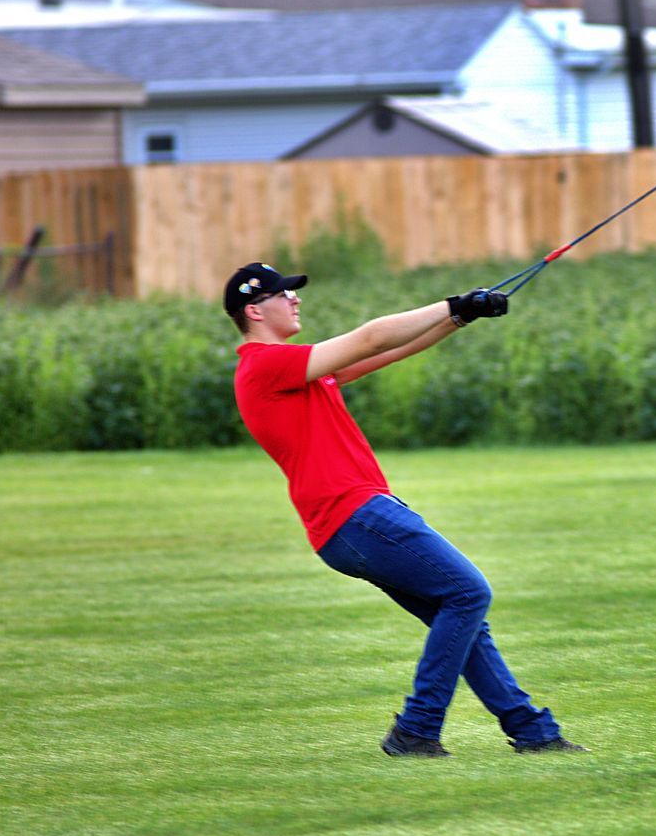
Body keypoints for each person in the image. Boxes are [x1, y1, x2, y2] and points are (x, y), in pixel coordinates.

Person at [225, 261, 583, 759]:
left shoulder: (296, 373)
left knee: (460, 613)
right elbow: (371, 337)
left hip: (352, 522)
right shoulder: (264, 366)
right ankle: (417, 729)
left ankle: (533, 733)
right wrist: (453, 302)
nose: (295, 300)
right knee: (467, 592)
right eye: (284, 294)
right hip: (355, 514)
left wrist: (459, 319)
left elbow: (390, 350)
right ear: (253, 310)